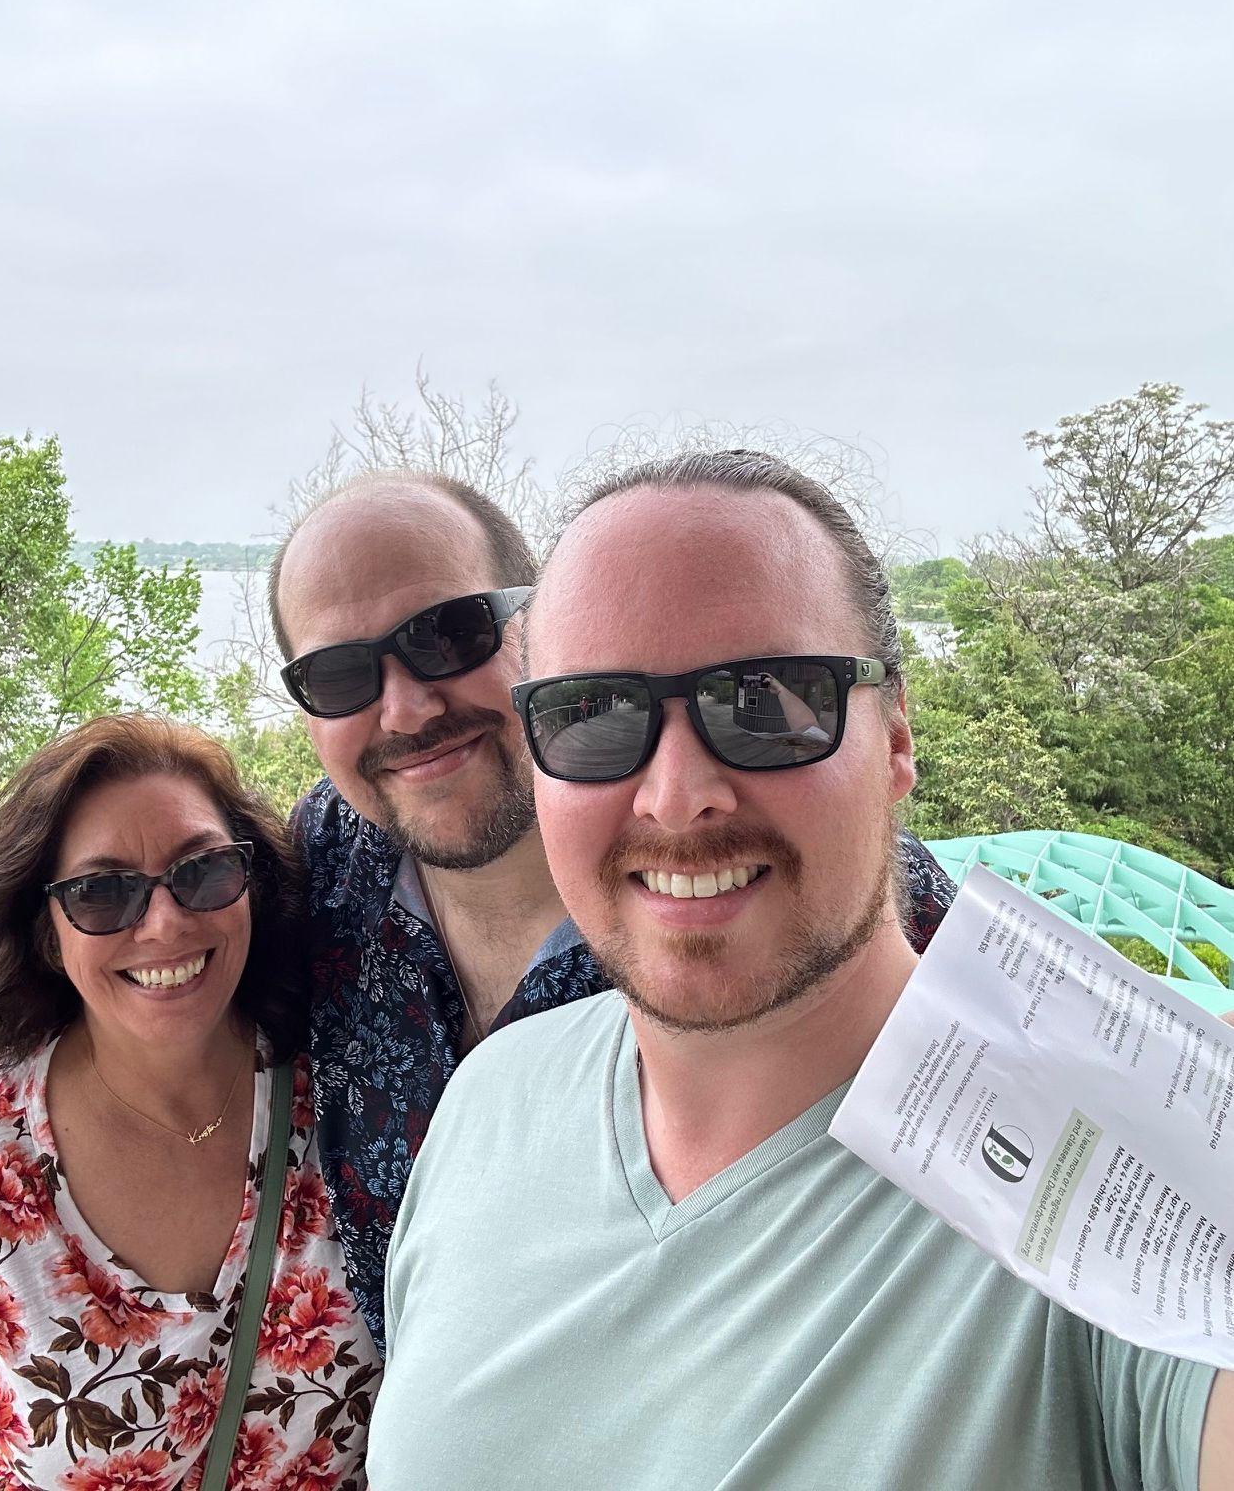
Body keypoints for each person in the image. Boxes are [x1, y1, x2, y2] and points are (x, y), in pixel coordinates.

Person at [0, 469, 959, 1355]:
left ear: (542, 637)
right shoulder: (320, 870)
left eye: (446, 636)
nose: (407, 707)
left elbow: (1041, 1055)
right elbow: (152, 963)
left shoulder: (752, 874)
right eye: (338, 676)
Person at [366, 450, 1233, 1489]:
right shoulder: (490, 1102)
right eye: (592, 714)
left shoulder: (1126, 1161)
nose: (675, 796)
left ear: (896, 737)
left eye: (764, 700)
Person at [0, 715, 379, 1490]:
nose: (165, 921)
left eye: (204, 870)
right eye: (100, 892)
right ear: (48, 934)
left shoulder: (361, 1106)